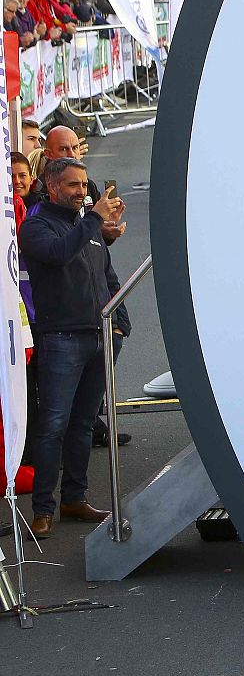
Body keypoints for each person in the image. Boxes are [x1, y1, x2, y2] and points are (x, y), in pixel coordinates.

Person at [21, 157, 125, 538]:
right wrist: (94, 221)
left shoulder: (89, 227)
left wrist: (121, 324)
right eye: (72, 185)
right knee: (52, 427)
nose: (82, 192)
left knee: (83, 425)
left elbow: (106, 275)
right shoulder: (36, 226)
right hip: (61, 340)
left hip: (100, 337)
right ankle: (43, 509)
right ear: (51, 187)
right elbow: (60, 253)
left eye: (84, 185)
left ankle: (74, 498)